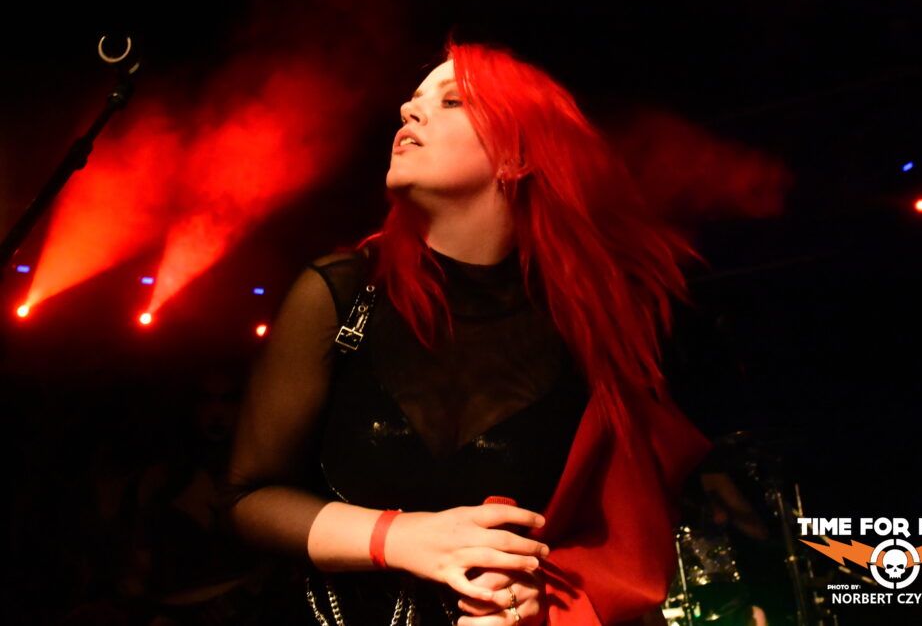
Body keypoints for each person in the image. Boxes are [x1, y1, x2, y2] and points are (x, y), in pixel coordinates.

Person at [227, 41, 710, 626]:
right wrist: (398, 537)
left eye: (451, 101)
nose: (409, 110)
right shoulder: (342, 293)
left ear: (517, 156)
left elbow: (620, 545)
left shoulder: (590, 333)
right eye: (413, 99)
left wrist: (541, 602)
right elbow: (248, 498)